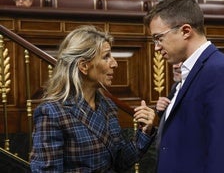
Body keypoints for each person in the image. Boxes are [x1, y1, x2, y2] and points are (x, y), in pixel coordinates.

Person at [30, 25, 156, 172]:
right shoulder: (51, 113)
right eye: (106, 57)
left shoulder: (108, 106)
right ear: (84, 66)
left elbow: (119, 162)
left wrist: (144, 132)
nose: (114, 64)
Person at [143, 0, 224, 172]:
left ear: (185, 31)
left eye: (159, 38)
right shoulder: (188, 72)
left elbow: (222, 154)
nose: (156, 47)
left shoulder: (221, 71)